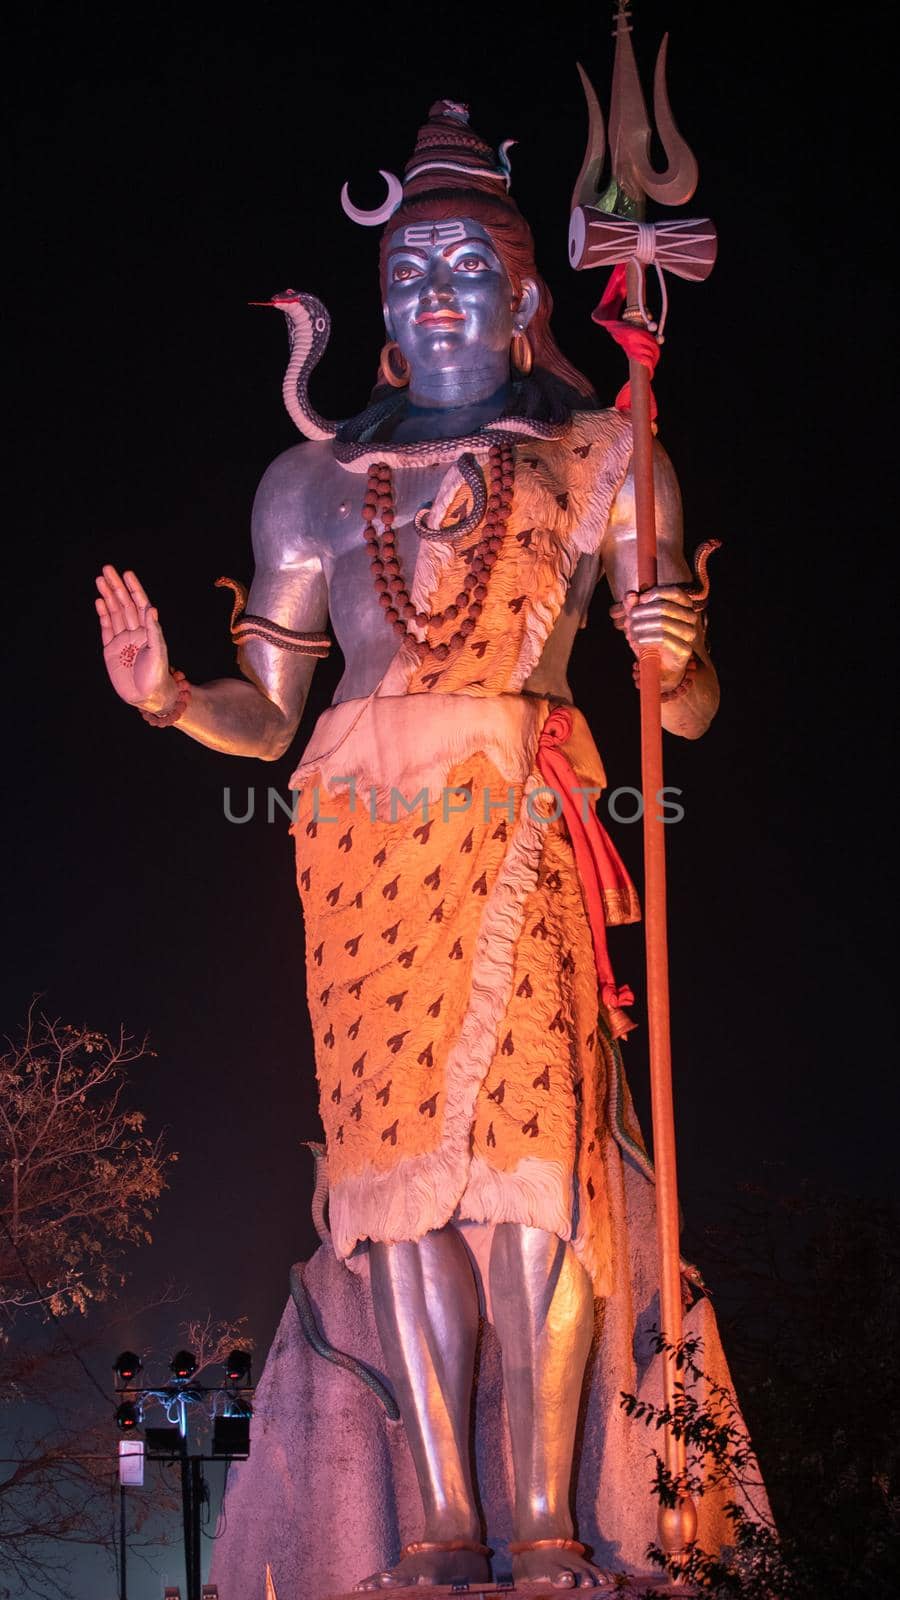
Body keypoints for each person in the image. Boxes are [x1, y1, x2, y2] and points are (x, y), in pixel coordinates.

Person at [96, 101, 718, 1592]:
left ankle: (552, 1525)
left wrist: (673, 644)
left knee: (528, 1187)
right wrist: (175, 698)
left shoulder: (605, 453)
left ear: (523, 296)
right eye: (407, 272)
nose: (433, 292)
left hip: (514, 819)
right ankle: (438, 1529)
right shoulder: (311, 485)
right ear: (382, 306)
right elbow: (270, 714)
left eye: (461, 265)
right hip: (363, 851)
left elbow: (679, 711)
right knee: (402, 1204)